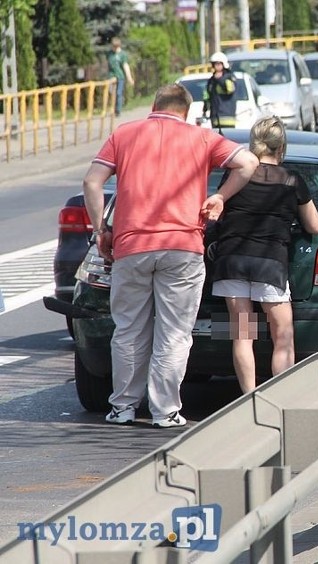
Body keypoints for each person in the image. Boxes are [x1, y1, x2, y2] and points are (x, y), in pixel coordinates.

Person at [82, 84, 259, 427]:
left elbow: (92, 182)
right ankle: (165, 411)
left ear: (153, 105)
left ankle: (123, 407)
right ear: (186, 111)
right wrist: (220, 196)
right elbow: (248, 163)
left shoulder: (125, 133)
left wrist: (100, 231)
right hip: (182, 248)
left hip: (131, 247)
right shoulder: (202, 138)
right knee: (174, 332)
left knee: (129, 329)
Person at [210, 117, 318, 393]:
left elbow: (219, 213)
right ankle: (280, 396)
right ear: (280, 147)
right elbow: (315, 226)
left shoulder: (234, 175)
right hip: (269, 266)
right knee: (282, 334)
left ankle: (249, 397)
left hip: (232, 261)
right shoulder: (291, 181)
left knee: (243, 335)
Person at [204, 51, 238, 129]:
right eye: (214, 64)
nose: (216, 66)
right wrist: (205, 108)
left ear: (224, 64)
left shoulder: (229, 78)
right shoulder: (212, 80)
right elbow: (207, 95)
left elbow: (230, 90)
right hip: (215, 118)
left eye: (218, 64)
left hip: (227, 117)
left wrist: (220, 80)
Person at [107, 37, 134, 116]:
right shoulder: (110, 54)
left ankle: (118, 110)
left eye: (117, 47)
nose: (115, 49)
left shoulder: (122, 54)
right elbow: (108, 65)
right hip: (111, 76)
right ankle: (112, 108)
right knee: (111, 92)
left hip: (120, 76)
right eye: (114, 47)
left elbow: (125, 66)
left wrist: (129, 78)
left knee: (118, 93)